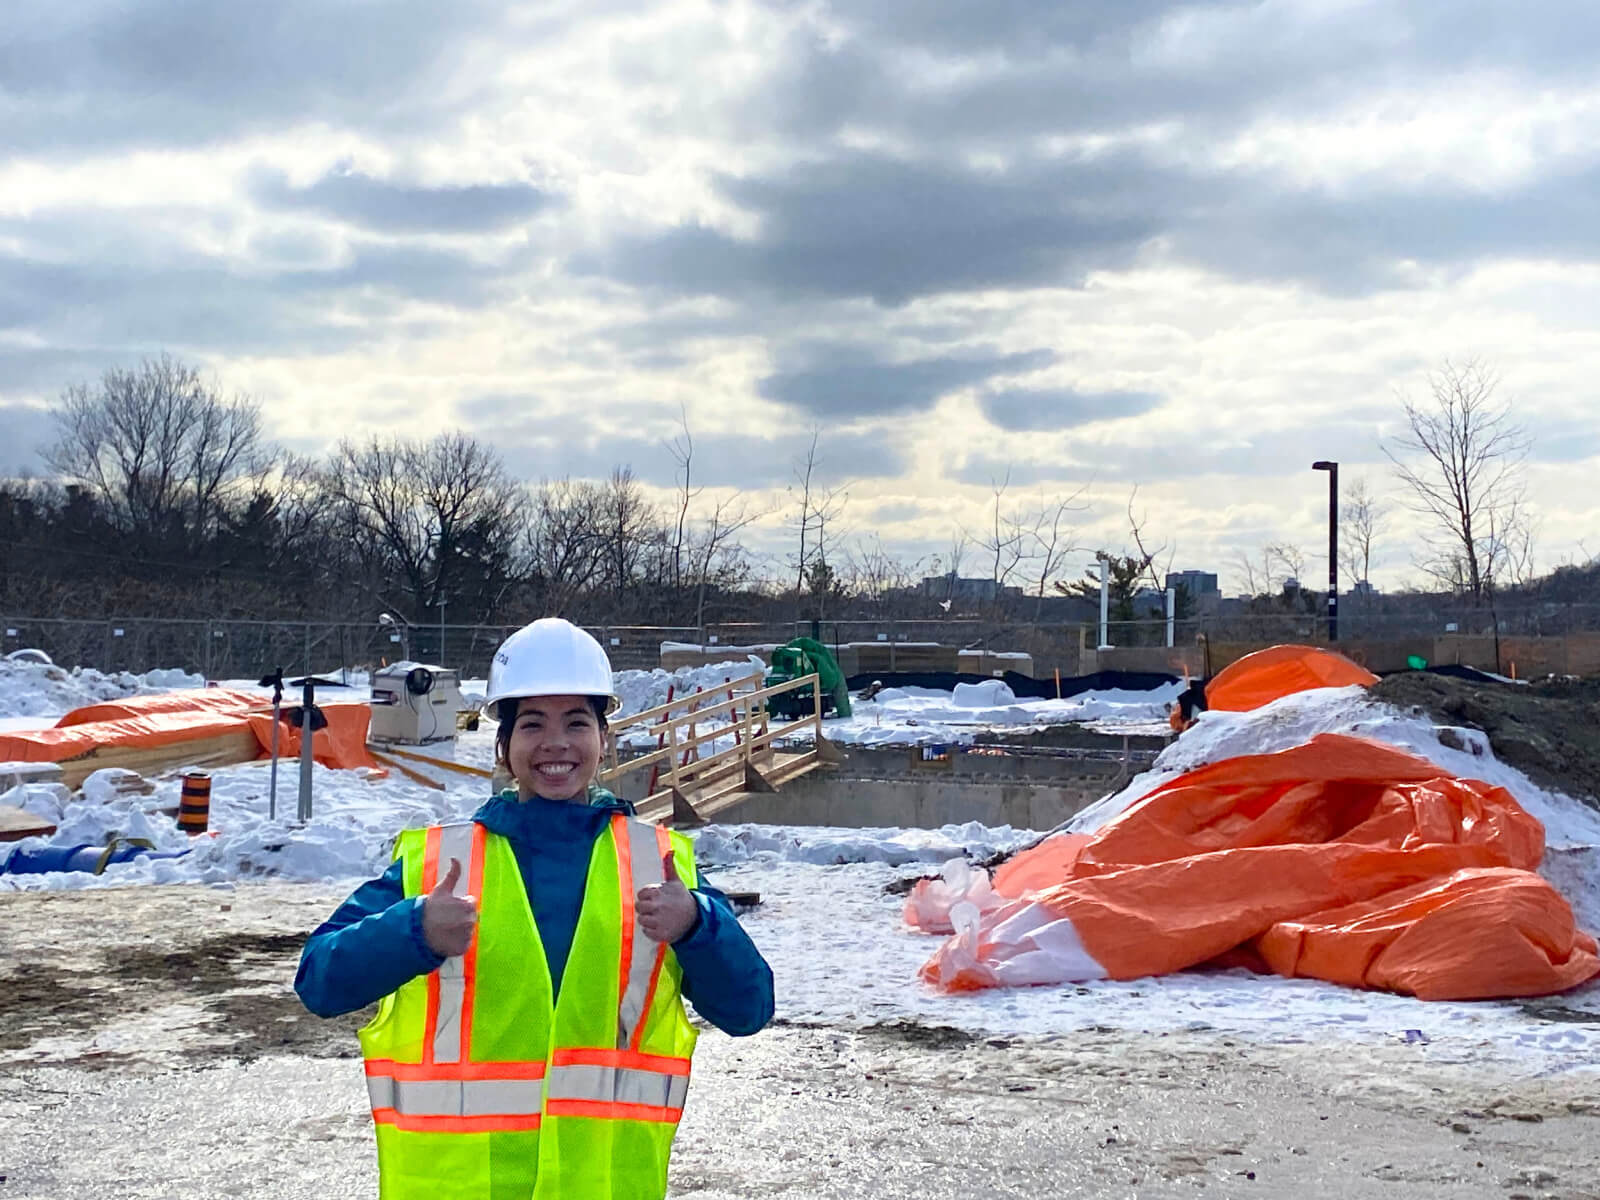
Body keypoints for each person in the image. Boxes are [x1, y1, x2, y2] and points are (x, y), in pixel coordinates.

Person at [295, 617, 774, 1198]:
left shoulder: (658, 867)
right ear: (504, 744)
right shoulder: (441, 864)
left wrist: (698, 926)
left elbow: (749, 1009)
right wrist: (413, 930)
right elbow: (318, 981)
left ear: (604, 738)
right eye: (532, 724)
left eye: (577, 722)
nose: (555, 743)